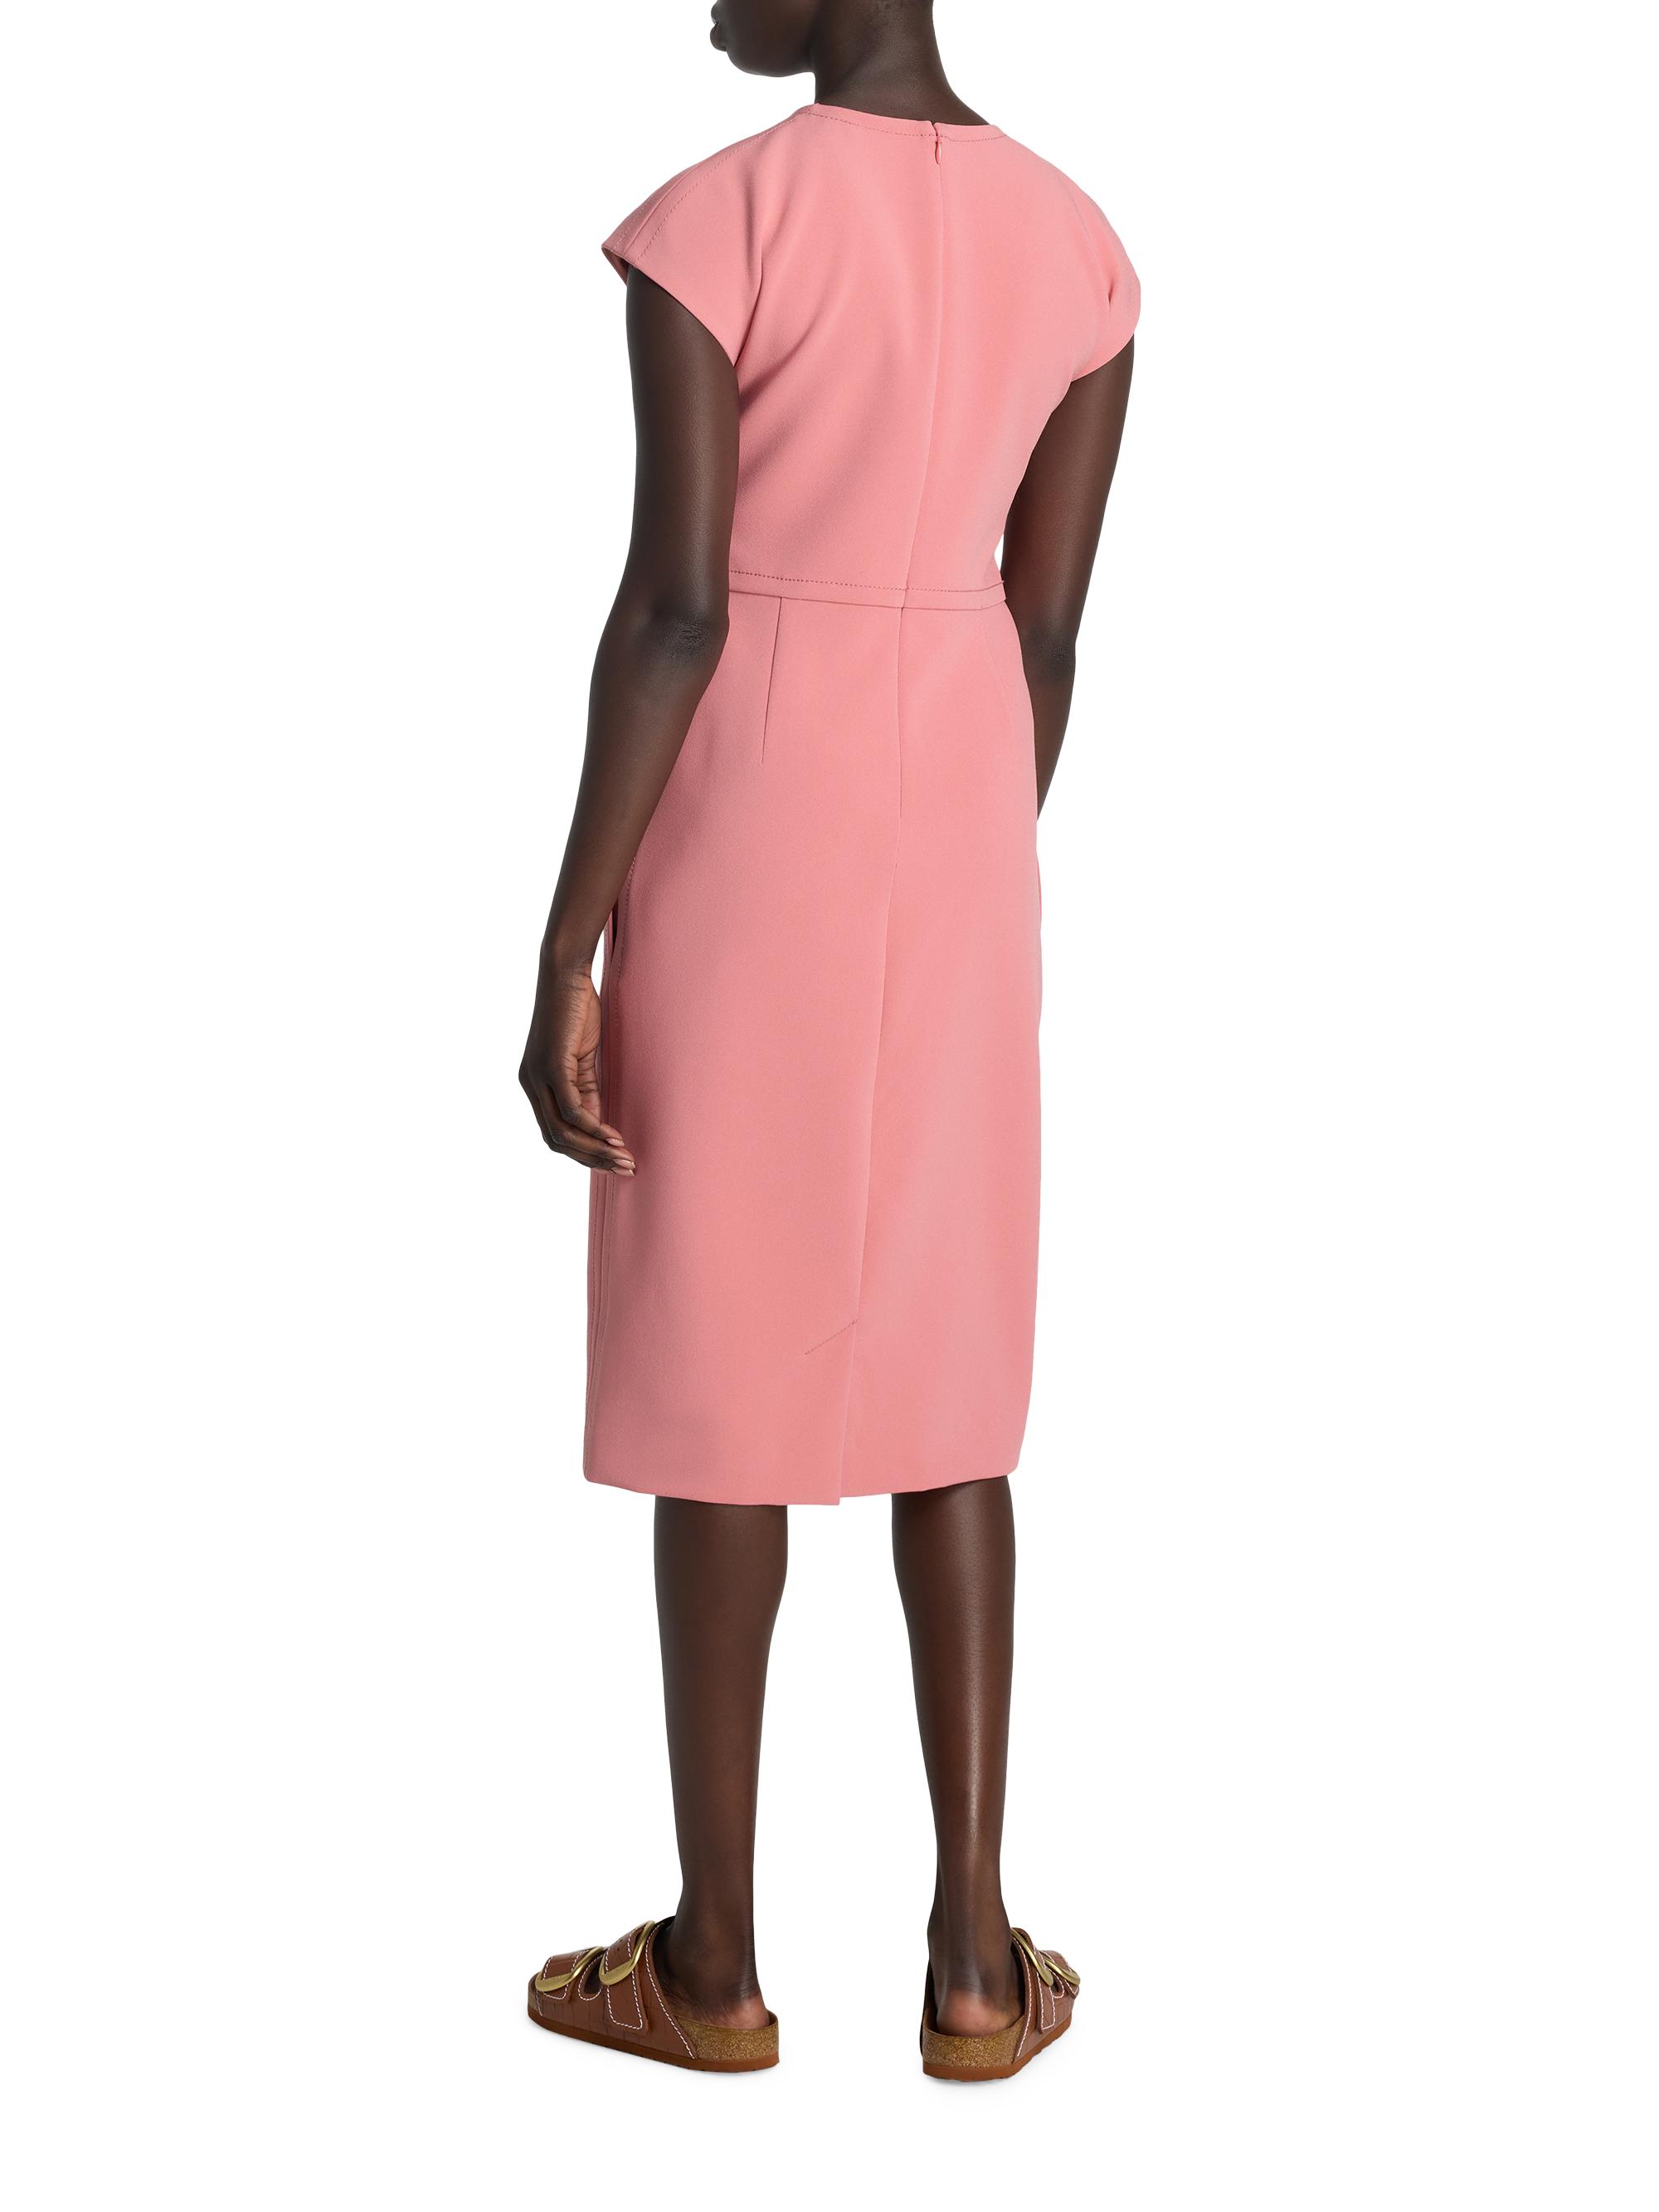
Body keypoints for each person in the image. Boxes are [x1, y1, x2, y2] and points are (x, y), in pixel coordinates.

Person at [519, 0, 1136, 2079]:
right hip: (963, 807)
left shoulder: (718, 222)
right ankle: (972, 1961)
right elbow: (1048, 627)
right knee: (949, 1363)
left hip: (745, 810)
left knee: (728, 1359)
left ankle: (711, 1967)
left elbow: (677, 608)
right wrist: (953, 848)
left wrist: (569, 944)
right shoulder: (1079, 248)